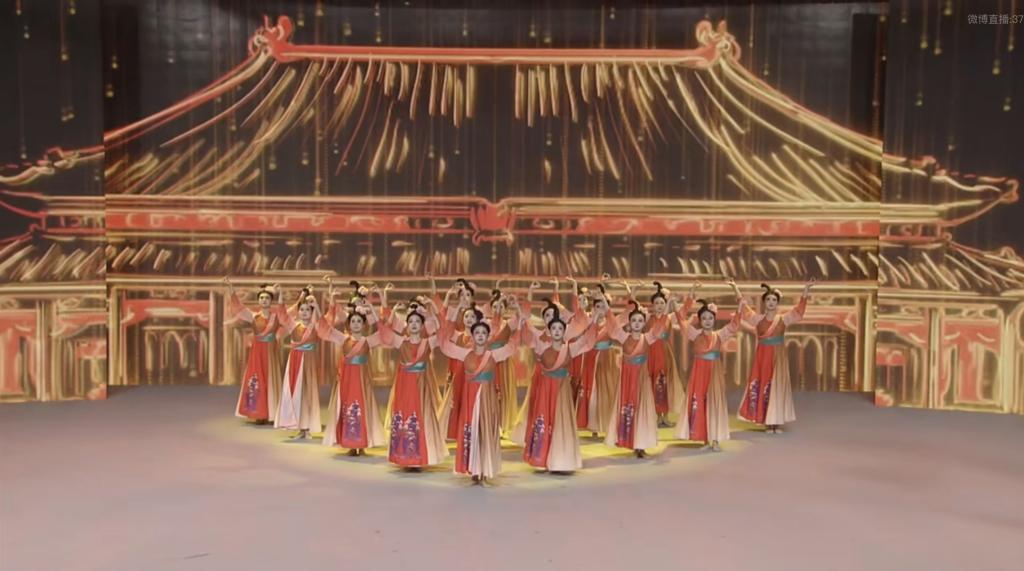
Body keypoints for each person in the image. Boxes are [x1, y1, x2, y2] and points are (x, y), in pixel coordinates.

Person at [437, 300, 523, 484]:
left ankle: (484, 468)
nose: (480, 335)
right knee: (472, 430)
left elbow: (513, 345)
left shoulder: (494, 355)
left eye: (484, 333)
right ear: (473, 335)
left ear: (488, 335)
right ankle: (473, 469)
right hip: (470, 399)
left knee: (484, 431)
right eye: (477, 333)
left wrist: (519, 316)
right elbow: (444, 345)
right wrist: (451, 314)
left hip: (487, 400)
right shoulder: (464, 353)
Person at [517, 305, 601, 473]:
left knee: (561, 422)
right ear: (549, 330)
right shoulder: (542, 346)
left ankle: (561, 460)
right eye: (553, 328)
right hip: (545, 390)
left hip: (562, 391)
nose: (556, 331)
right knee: (545, 420)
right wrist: (522, 319)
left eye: (560, 329)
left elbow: (587, 341)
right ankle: (543, 457)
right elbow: (527, 337)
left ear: (564, 332)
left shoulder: (569, 348)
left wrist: (595, 321)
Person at [730, 278, 815, 434]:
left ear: (777, 303)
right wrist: (735, 288)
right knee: (764, 386)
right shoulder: (757, 319)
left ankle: (775, 422)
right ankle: (767, 423)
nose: (771, 302)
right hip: (763, 357)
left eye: (774, 300)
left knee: (776, 387)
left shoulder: (783, 319)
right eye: (768, 299)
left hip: (778, 358)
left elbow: (799, 311)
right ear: (764, 302)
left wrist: (806, 289)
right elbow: (744, 308)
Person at [377, 300, 449, 470]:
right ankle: (405, 456)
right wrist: (389, 310)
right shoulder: (401, 342)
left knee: (421, 417)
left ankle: (420, 457)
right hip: (405, 386)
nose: (414, 324)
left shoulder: (427, 342)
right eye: (411, 322)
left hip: (421, 386)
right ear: (407, 325)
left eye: (417, 321)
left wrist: (434, 310)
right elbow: (384, 333)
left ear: (422, 325)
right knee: (405, 416)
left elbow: (444, 333)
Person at [672, 287, 745, 451]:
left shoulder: (720, 335)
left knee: (714, 403)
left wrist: (739, 302)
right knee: (700, 402)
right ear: (699, 320)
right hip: (699, 373)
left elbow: (734, 325)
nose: (707, 321)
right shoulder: (694, 334)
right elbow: (681, 321)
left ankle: (715, 440)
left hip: (714, 373)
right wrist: (684, 301)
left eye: (710, 318)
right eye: (704, 318)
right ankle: (704, 439)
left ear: (714, 319)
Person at [316, 294, 387, 456]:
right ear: (348, 324)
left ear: (364, 324)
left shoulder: (369, 340)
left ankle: (362, 443)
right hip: (347, 381)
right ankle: (350, 443)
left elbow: (384, 333)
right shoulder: (343, 339)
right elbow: (325, 329)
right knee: (348, 408)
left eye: (359, 321)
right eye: (353, 321)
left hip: (362, 382)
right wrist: (325, 305)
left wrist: (372, 310)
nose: (355, 324)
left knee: (362, 408)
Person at [603, 300, 665, 458]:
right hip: (627, 380)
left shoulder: (648, 338)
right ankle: (628, 441)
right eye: (634, 320)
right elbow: (612, 322)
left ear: (644, 323)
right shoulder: (623, 337)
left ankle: (640, 445)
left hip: (641, 381)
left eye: (640, 320)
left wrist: (668, 307)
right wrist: (604, 302)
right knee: (628, 408)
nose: (637, 323)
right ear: (629, 323)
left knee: (641, 410)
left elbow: (659, 327)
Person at [225, 279, 282, 424]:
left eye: (267, 298)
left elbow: (291, 312)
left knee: (270, 380)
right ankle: (258, 413)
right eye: (261, 298)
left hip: (271, 353)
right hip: (257, 353)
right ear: (258, 300)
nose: (264, 300)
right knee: (257, 380)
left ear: (271, 300)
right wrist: (231, 288)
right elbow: (238, 307)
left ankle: (272, 413)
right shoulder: (253, 316)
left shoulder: (277, 317)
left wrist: (285, 294)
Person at [274, 287, 324, 439]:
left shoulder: (315, 326)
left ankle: (307, 428)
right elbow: (282, 315)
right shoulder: (293, 325)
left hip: (309, 362)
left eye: (308, 310)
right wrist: (280, 294)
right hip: (295, 362)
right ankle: (298, 427)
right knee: (295, 393)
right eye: (301, 309)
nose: (304, 312)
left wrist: (317, 306)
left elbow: (325, 325)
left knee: (308, 393)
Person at [644, 282, 684, 428]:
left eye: (662, 303)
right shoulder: (647, 317)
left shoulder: (669, 318)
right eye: (657, 303)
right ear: (652, 305)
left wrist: (674, 301)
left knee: (663, 384)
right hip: (650, 352)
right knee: (651, 384)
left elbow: (684, 310)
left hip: (664, 352)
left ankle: (665, 416)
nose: (659, 306)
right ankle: (655, 416)